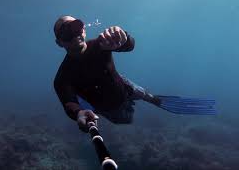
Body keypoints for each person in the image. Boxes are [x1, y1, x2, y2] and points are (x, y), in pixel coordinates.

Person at [53, 15, 216, 132]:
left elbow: (129, 45)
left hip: (124, 85)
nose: (75, 34)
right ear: (59, 42)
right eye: (67, 33)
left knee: (142, 93)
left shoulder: (101, 44)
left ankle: (151, 99)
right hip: (111, 108)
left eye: (76, 27)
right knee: (125, 120)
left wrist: (124, 38)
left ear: (83, 29)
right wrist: (79, 112)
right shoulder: (63, 77)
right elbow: (69, 103)